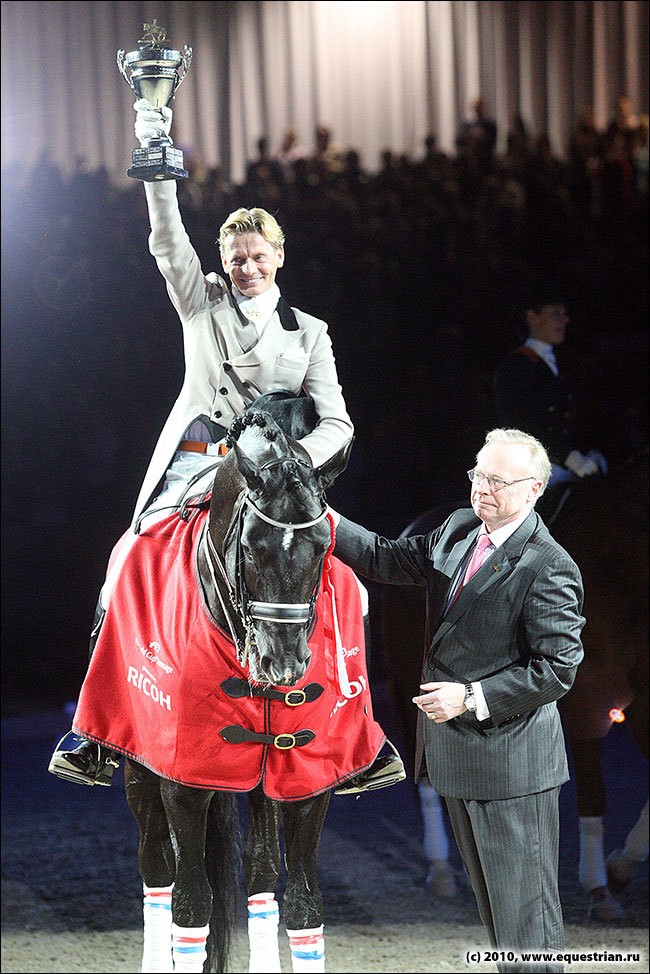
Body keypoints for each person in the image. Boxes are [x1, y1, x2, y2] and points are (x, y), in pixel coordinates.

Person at [49, 97, 403, 793]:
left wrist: (292, 463)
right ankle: (96, 733)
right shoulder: (199, 305)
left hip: (279, 481)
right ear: (224, 261)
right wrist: (156, 151)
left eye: (256, 256)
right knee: (124, 560)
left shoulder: (311, 333)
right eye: (235, 257)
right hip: (199, 460)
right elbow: (165, 240)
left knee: (353, 590)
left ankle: (363, 741)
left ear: (278, 257)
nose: (245, 267)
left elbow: (338, 421)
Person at [330, 428, 585, 972]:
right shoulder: (458, 529)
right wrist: (317, 516)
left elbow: (558, 668)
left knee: (527, 926)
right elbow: (383, 556)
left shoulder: (549, 564)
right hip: (460, 759)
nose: (482, 487)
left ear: (535, 488)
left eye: (498, 480)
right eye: (478, 473)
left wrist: (472, 697)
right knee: (500, 923)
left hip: (513, 766)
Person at [493, 292, 607, 495]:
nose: (565, 320)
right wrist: (568, 457)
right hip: (535, 472)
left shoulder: (566, 362)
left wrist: (592, 451)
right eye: (556, 313)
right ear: (532, 317)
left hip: (570, 466)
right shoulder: (515, 367)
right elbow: (521, 427)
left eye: (565, 313)